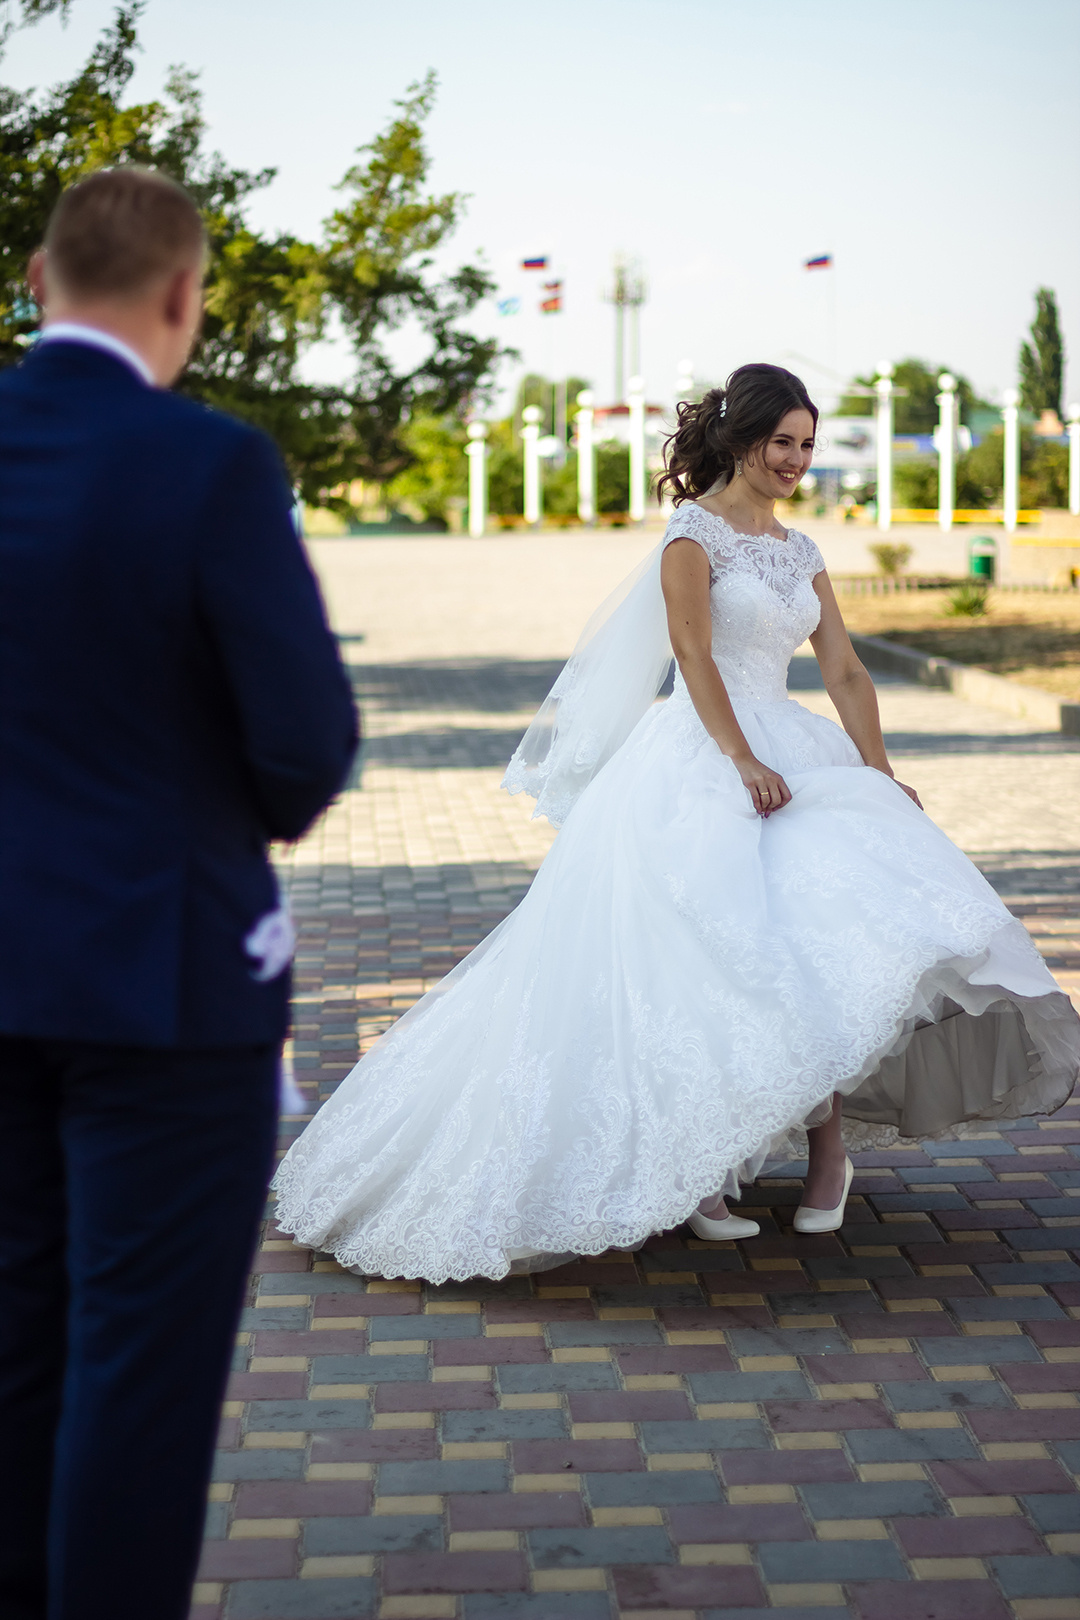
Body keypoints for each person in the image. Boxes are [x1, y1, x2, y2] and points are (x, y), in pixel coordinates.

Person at [273, 362, 1079, 1284]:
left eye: (809, 446)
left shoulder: (802, 550)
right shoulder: (691, 537)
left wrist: (879, 773)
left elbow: (847, 670)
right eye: (784, 443)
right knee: (706, 954)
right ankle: (701, 1167)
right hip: (703, 753)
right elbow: (693, 656)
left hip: (798, 752)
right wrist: (740, 759)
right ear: (742, 440)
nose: (796, 461)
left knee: (819, 949)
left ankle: (828, 1154)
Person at [0, 168, 358, 1620]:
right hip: (164, 986)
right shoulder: (209, 465)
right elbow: (304, 746)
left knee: (15, 1358)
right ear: (181, 298)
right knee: (138, 1382)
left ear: (37, 284)